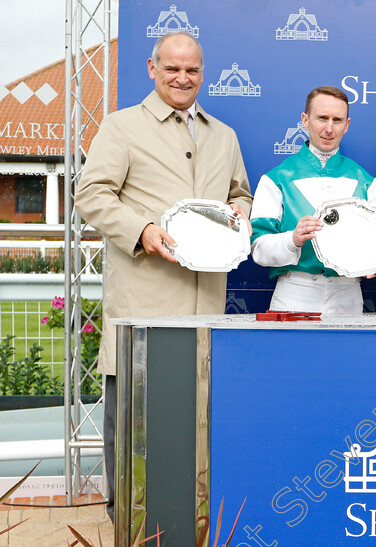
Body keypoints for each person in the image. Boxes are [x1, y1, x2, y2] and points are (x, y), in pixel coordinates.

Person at [74, 32, 252, 521]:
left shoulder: (224, 135)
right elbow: (90, 195)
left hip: (206, 313)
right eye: (171, 69)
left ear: (203, 72)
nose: (182, 78)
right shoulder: (122, 127)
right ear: (152, 69)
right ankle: (128, 525)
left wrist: (239, 210)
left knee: (197, 429)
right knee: (136, 434)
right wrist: (143, 229)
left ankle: (191, 522)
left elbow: (241, 194)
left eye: (191, 69)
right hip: (143, 311)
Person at [250, 86, 376, 313]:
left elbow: (375, 245)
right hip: (294, 293)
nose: (329, 128)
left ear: (347, 124)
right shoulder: (276, 179)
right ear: (305, 120)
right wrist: (292, 239)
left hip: (348, 294)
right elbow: (258, 248)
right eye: (322, 118)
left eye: (337, 119)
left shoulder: (366, 182)